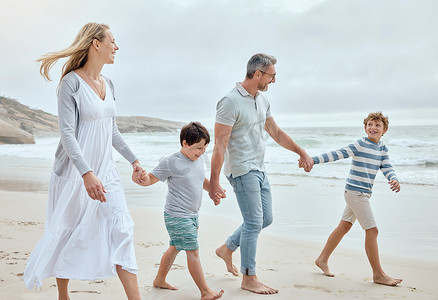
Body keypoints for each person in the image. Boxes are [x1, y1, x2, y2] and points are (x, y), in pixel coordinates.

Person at [23, 23, 144, 300]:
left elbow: (111, 130)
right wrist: (86, 173)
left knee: (122, 227)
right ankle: (63, 296)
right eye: (112, 41)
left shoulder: (109, 84)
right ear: (96, 44)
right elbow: (67, 134)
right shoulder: (71, 83)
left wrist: (134, 160)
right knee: (67, 231)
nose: (117, 47)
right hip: (74, 174)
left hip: (107, 172)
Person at [209, 53, 314, 295]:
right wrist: (213, 183)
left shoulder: (262, 100)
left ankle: (227, 248)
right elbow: (220, 145)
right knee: (254, 222)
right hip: (242, 170)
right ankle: (249, 277)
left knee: (265, 219)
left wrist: (300, 151)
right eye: (272, 75)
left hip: (259, 168)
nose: (274, 80)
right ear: (258, 74)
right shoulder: (229, 101)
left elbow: (275, 132)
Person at [133, 122, 224, 300]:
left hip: (192, 215)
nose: (201, 152)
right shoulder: (171, 161)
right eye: (198, 148)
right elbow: (151, 178)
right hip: (177, 215)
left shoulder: (197, 159)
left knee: (174, 248)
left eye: (205, 148)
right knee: (193, 251)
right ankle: (205, 292)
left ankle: (159, 280)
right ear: (184, 143)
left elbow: (200, 180)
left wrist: (213, 190)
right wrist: (142, 178)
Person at [310, 111, 402, 286]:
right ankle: (378, 274)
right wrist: (312, 160)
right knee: (372, 230)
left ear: (384, 130)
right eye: (370, 124)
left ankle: (322, 259)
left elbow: (387, 167)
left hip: (362, 194)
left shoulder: (382, 149)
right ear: (365, 127)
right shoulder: (360, 144)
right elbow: (337, 154)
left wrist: (394, 178)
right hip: (354, 193)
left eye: (377, 125)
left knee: (344, 226)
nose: (373, 128)